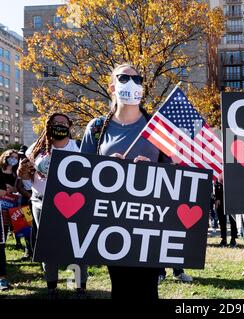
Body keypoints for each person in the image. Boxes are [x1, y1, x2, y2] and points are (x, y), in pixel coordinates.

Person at [80, 63, 169, 299]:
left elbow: (173, 174)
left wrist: (153, 170)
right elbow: (81, 175)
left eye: (138, 79)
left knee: (148, 290)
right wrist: (105, 170)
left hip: (149, 220)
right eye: (124, 78)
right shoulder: (98, 128)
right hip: (112, 221)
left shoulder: (157, 127)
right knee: (120, 288)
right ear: (111, 87)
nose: (132, 83)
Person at [17, 112, 88, 298]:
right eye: (55, 123)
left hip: (74, 204)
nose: (60, 126)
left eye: (64, 123)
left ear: (70, 126)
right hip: (41, 202)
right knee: (48, 245)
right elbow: (25, 178)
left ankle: (79, 286)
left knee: (76, 244)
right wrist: (22, 172)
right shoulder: (36, 149)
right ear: (48, 126)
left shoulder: (79, 148)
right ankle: (52, 287)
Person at [214, 175, 238, 247]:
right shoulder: (219, 173)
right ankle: (223, 239)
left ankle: (233, 239)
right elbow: (216, 185)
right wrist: (217, 198)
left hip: (232, 199)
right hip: (221, 200)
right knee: (222, 221)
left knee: (233, 221)